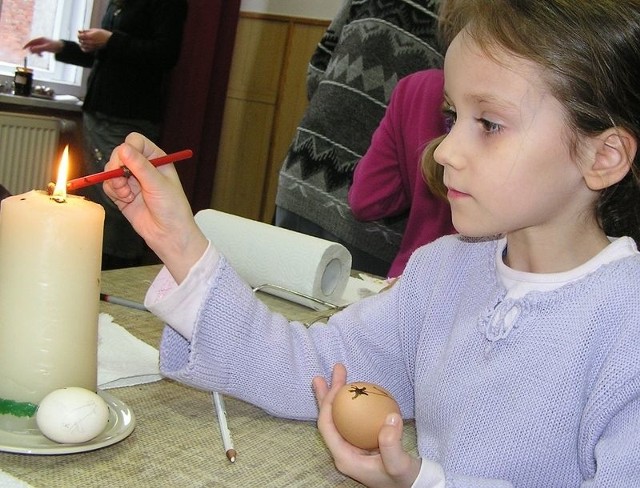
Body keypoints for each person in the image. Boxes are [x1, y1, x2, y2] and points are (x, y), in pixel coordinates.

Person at [103, 0, 640, 486]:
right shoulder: (443, 274)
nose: (445, 149)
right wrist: (179, 239)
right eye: (452, 117)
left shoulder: (625, 319)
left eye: (490, 124)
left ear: (603, 157)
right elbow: (309, 369)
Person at [274, 0, 446, 277]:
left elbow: (315, 72)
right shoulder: (471, 15)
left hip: (304, 170)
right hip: (375, 221)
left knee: (278, 298)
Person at [24, 0, 188, 269]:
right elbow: (107, 55)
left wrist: (111, 39)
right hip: (98, 112)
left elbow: (165, 54)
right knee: (99, 199)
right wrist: (60, 47)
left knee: (122, 200)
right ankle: (94, 267)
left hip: (128, 116)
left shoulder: (168, 5)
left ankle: (119, 273)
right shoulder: (118, 3)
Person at [348, 69, 456, 278]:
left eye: (489, 125)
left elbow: (366, 199)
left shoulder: (416, 88)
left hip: (405, 279)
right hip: (466, 289)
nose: (442, 153)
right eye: (452, 117)